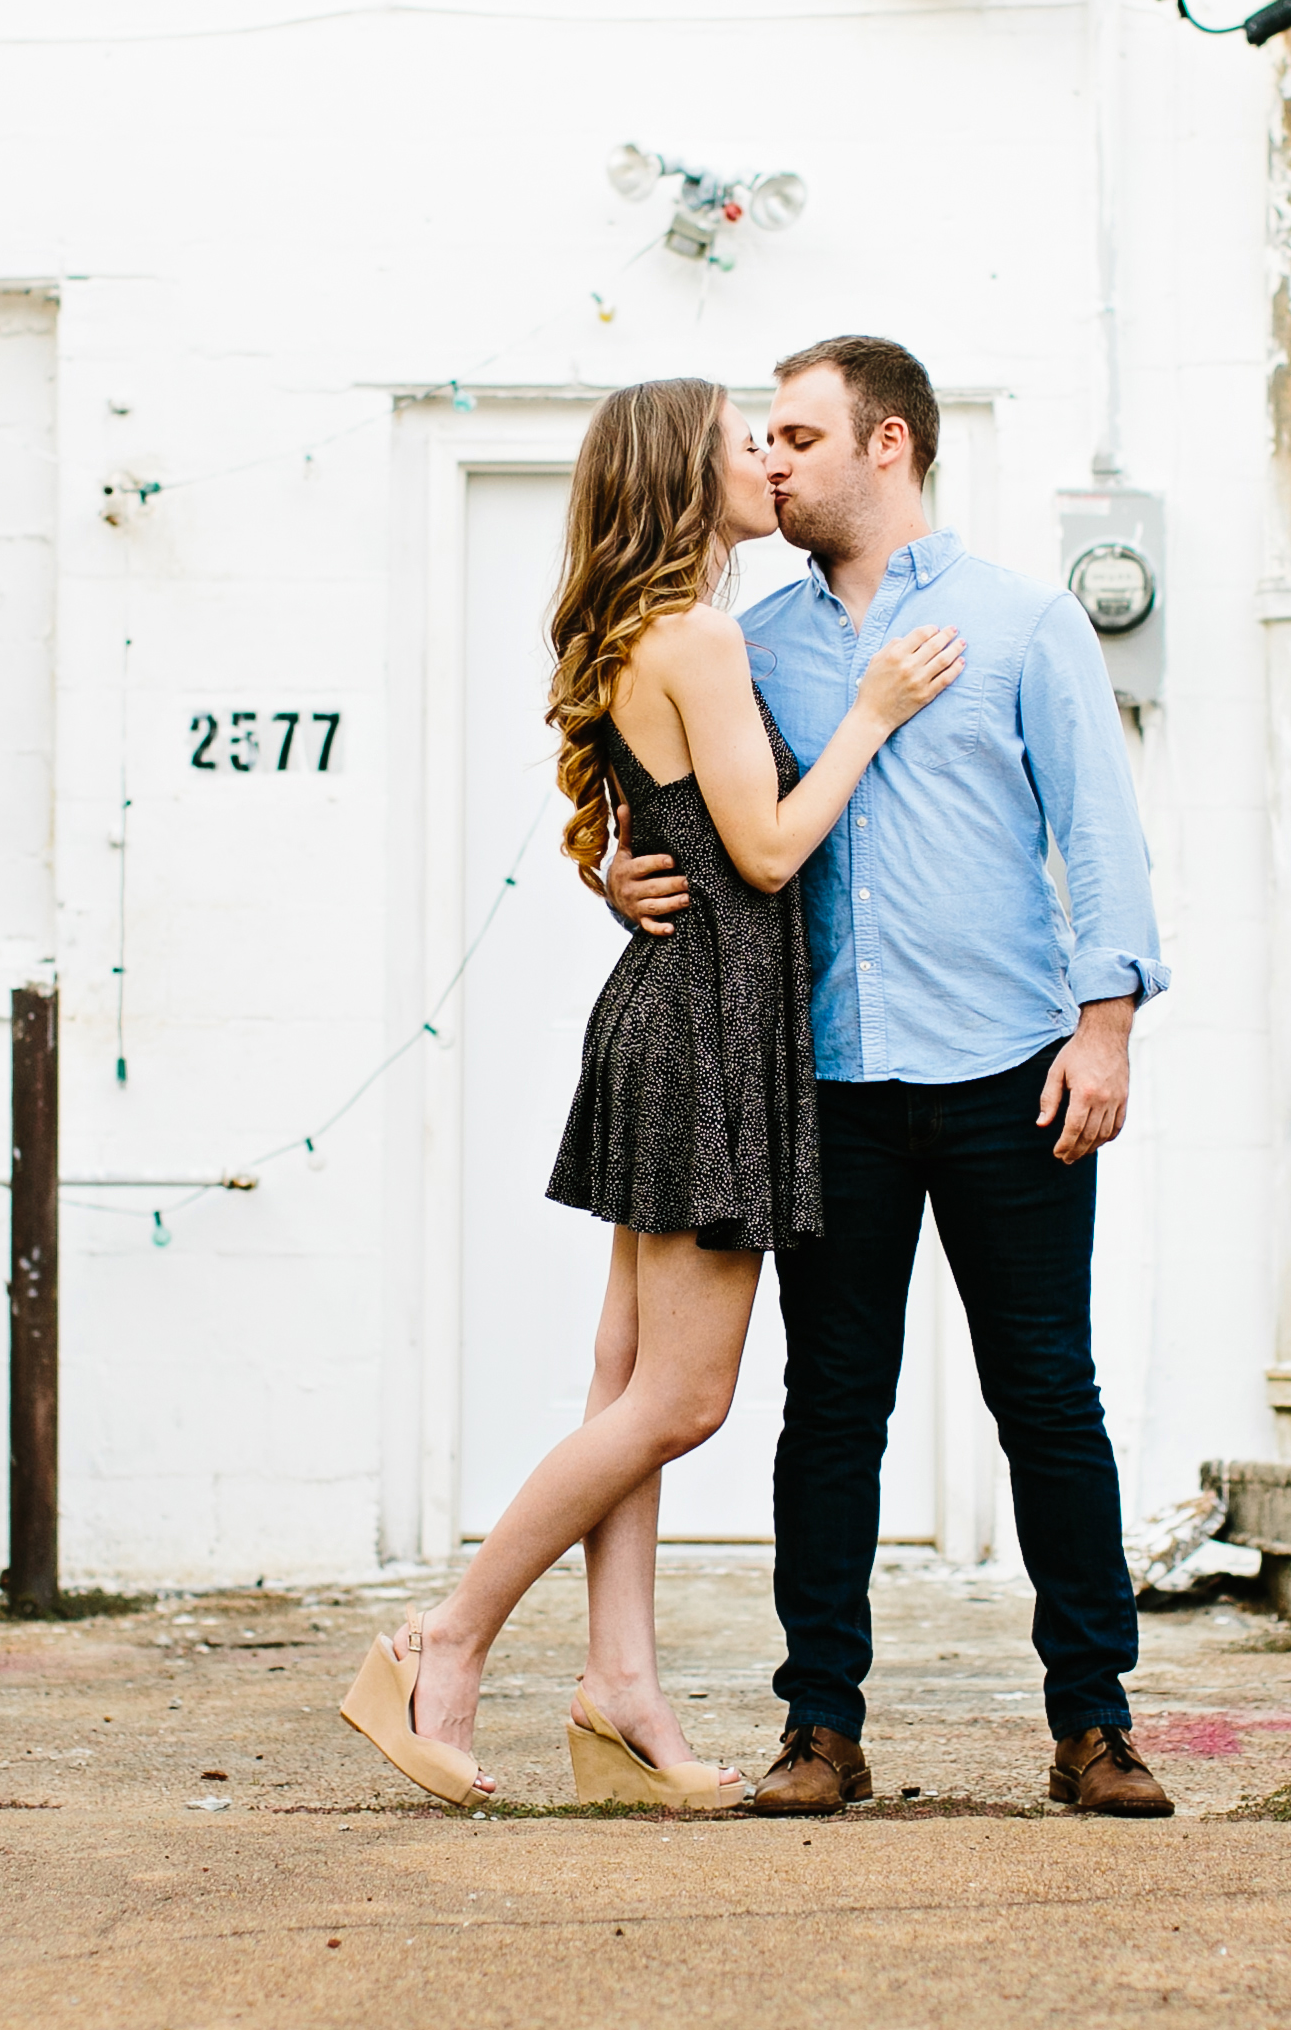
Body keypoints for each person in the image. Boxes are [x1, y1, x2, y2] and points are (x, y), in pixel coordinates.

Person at [340, 374, 964, 1811]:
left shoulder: (653, 630)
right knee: (680, 1400)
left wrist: (619, 874)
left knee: (626, 1386)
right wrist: (870, 713)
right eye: (744, 443)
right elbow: (763, 850)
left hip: (671, 1017)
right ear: (688, 478)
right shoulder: (696, 634)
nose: (768, 459)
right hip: (704, 1032)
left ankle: (620, 1693)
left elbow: (660, 836)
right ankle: (443, 1639)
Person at [606, 333, 1176, 1819]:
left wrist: (1104, 1025)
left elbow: (1100, 835)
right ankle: (820, 1729)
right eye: (764, 442)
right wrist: (616, 870)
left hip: (1014, 1073)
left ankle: (1095, 1725)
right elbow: (704, 815)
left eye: (798, 436)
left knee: (1048, 1397)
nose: (771, 462)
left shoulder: (1025, 620)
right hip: (830, 1086)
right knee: (831, 1407)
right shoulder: (756, 642)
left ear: (890, 446)